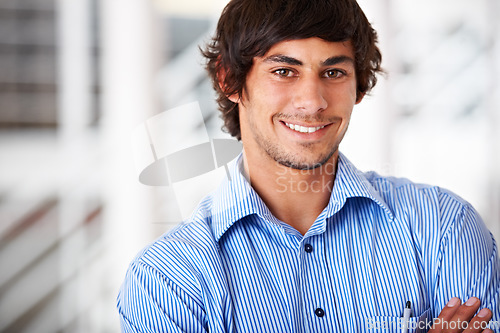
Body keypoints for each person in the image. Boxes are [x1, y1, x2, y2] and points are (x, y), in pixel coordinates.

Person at [117, 0, 500, 331]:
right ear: (229, 78)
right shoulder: (167, 281)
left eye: (334, 72)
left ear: (358, 85)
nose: (312, 101)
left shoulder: (443, 228)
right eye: (284, 71)